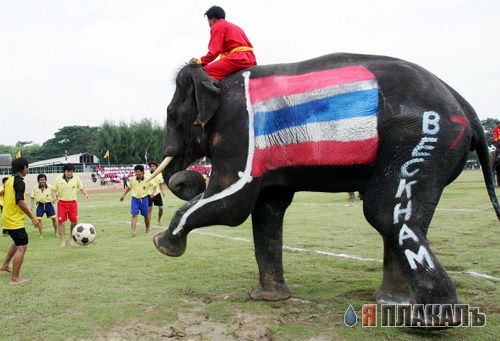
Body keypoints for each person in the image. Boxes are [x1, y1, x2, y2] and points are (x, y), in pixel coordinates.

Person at [189, 5, 257, 80]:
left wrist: (200, 61)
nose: (209, 24)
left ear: (213, 19)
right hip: (251, 58)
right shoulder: (235, 27)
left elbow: (214, 51)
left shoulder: (217, 26)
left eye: (209, 20)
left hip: (238, 59)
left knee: (202, 74)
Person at [0, 158, 40, 285]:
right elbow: (20, 202)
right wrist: (33, 217)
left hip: (7, 218)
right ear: (23, 168)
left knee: (17, 243)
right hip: (13, 220)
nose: (27, 170)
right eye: (27, 167)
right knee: (22, 245)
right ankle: (15, 278)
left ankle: (5, 265)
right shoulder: (19, 182)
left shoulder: (9, 180)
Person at [53, 164, 90, 247]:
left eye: (71, 172)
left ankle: (71, 238)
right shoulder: (58, 179)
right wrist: (55, 197)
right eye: (68, 171)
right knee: (61, 222)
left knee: (74, 222)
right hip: (62, 203)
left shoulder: (76, 178)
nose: (70, 173)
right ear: (64, 171)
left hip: (73, 203)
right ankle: (62, 241)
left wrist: (86, 195)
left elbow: (81, 187)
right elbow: (54, 190)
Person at [120, 164, 154, 236]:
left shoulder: (147, 179)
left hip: (144, 199)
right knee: (134, 215)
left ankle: (147, 227)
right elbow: (129, 188)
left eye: (138, 171)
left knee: (146, 216)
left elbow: (154, 186)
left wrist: (153, 193)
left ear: (142, 172)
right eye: (135, 172)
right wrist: (123, 195)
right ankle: (133, 231)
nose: (137, 173)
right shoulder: (132, 179)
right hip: (135, 199)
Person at [31, 174, 58, 239]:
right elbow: (32, 197)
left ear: (46, 180)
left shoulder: (50, 187)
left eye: (43, 179)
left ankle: (56, 232)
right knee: (39, 220)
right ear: (38, 181)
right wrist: (32, 205)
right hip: (40, 205)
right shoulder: (35, 188)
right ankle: (41, 235)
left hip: (49, 204)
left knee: (54, 219)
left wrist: (54, 198)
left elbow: (55, 193)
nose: (42, 181)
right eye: (41, 180)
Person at [147, 161, 167, 225]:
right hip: (149, 194)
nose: (152, 167)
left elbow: (161, 184)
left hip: (157, 193)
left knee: (161, 208)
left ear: (156, 167)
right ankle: (149, 224)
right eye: (151, 166)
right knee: (149, 210)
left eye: (153, 166)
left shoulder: (159, 174)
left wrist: (162, 191)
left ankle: (159, 220)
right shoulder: (146, 174)